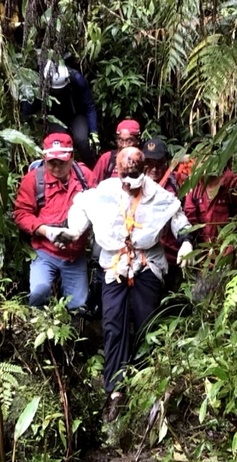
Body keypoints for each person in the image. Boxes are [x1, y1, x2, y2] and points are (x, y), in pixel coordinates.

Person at [55, 148, 194, 420]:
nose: (130, 181)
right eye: (126, 175)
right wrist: (71, 233)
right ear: (118, 173)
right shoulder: (105, 192)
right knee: (113, 324)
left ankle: (146, 383)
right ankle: (115, 391)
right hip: (113, 265)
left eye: (135, 174)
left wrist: (187, 242)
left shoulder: (157, 194)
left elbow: (179, 219)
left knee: (146, 321)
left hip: (147, 262)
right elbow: (81, 213)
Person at [12, 132, 94, 312]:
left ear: (71, 157)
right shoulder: (33, 179)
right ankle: (37, 330)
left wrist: (80, 230)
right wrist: (46, 231)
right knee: (38, 292)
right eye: (52, 163)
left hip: (75, 254)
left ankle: (71, 337)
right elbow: (21, 213)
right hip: (45, 250)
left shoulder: (85, 177)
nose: (56, 168)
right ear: (44, 158)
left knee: (78, 306)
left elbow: (97, 207)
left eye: (61, 162)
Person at [21, 59, 99, 167]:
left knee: (82, 141)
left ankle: (92, 169)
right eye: (55, 90)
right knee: (59, 142)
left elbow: (89, 106)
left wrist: (93, 131)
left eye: (60, 89)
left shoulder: (76, 79)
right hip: (53, 117)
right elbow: (27, 110)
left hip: (75, 114)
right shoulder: (37, 85)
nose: (58, 91)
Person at [141, 138, 183, 292]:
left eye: (159, 163)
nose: (154, 168)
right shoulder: (136, 184)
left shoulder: (174, 185)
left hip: (171, 256)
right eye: (149, 163)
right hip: (145, 258)